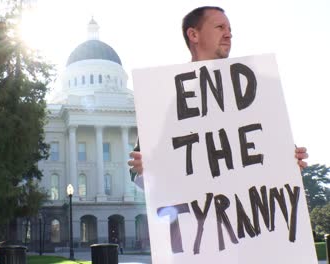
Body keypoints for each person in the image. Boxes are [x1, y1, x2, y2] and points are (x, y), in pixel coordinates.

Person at [127, 6, 308, 187]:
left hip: (247, 207)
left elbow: (273, 157)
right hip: (195, 210)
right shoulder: (164, 95)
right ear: (194, 35)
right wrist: (146, 169)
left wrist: (290, 162)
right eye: (220, 28)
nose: (228, 35)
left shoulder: (254, 89)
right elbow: (143, 177)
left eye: (230, 30)